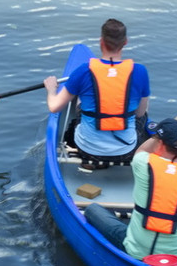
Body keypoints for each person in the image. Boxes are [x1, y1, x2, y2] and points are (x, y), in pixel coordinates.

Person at [84, 117, 177, 260]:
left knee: (92, 210)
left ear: (160, 143)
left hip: (135, 251)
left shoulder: (143, 163)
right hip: (173, 256)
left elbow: (141, 151)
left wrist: (175, 123)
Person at [43, 18, 150, 167]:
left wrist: (51, 89)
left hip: (87, 150)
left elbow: (54, 107)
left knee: (80, 104)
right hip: (126, 150)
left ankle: (88, 160)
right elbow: (139, 114)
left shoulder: (84, 71)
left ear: (101, 41)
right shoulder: (140, 72)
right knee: (143, 109)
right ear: (125, 42)